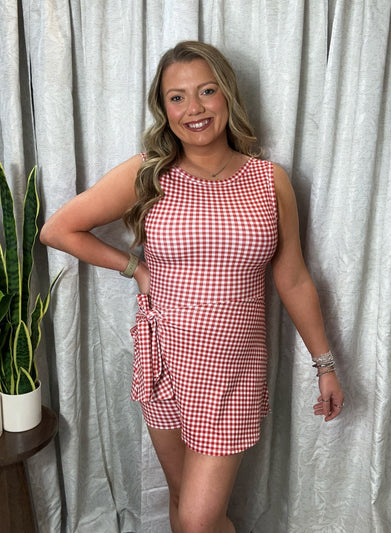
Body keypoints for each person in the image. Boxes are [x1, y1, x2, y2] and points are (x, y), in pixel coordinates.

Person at [41, 40, 344, 533]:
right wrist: (135, 268)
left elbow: (292, 277)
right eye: (177, 97)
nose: (194, 108)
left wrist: (324, 364)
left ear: (227, 94)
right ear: (163, 109)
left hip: (232, 370)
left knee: (200, 519)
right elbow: (58, 230)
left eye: (206, 91)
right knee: (184, 502)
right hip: (164, 359)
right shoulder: (149, 173)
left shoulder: (269, 181)